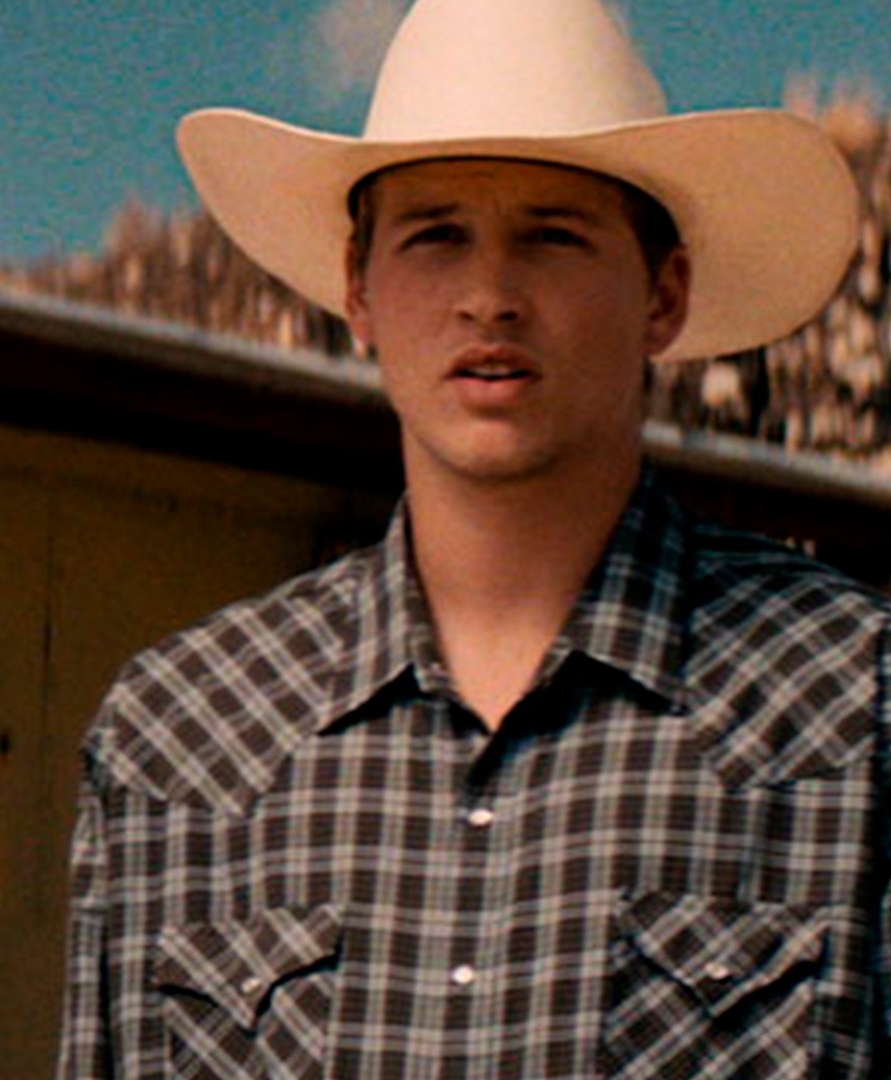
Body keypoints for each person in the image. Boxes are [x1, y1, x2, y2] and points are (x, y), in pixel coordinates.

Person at [57, 0, 886, 1076]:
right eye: (436, 235)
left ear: (664, 294)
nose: (489, 298)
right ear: (359, 289)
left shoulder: (853, 708)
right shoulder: (178, 741)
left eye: (554, 235)